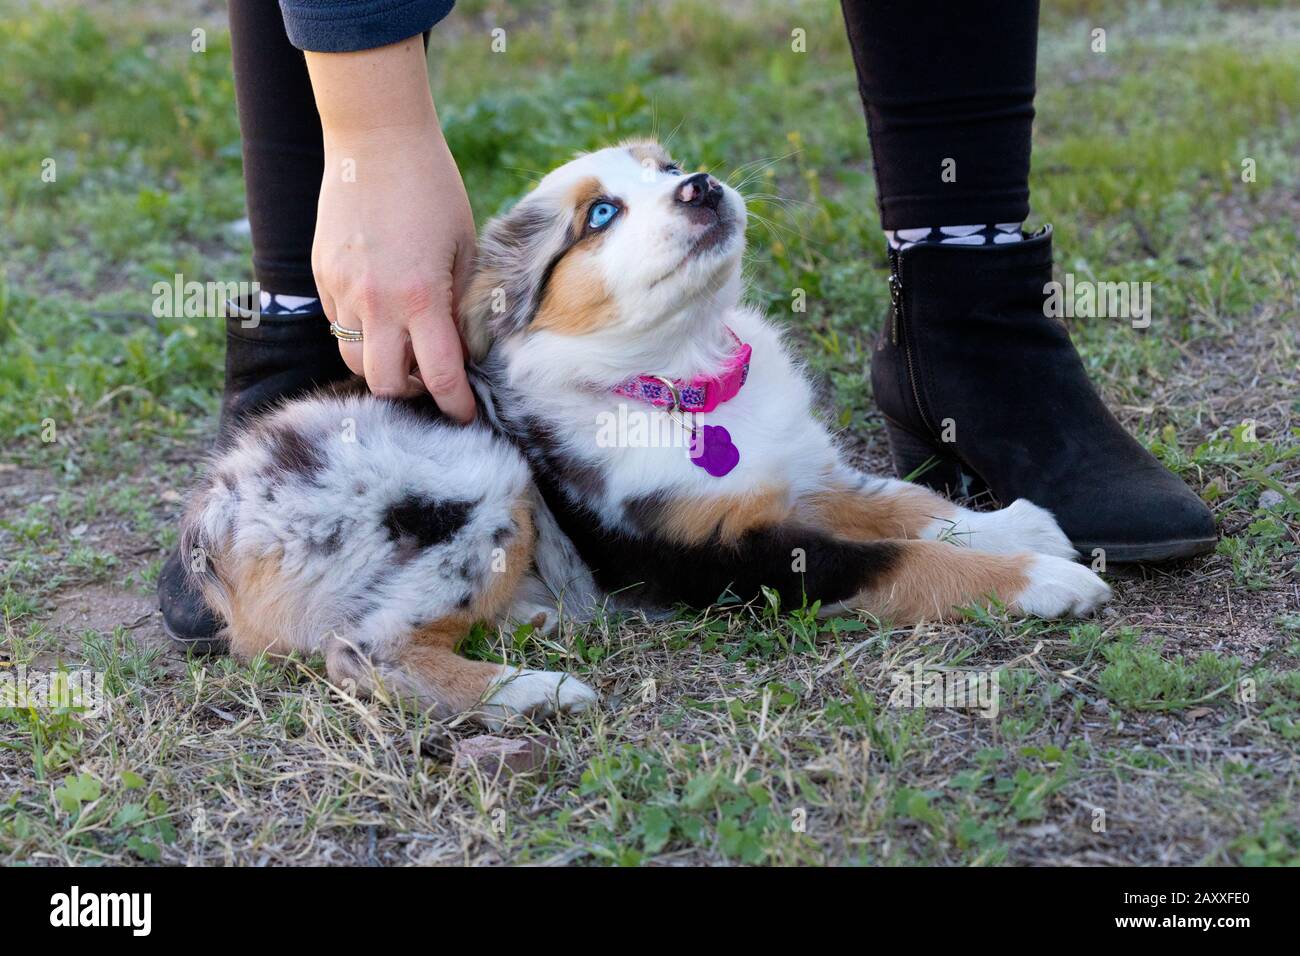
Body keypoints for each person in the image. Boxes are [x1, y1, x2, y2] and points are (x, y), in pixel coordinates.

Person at [158, 0, 1215, 651]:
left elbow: (818, 494)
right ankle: (398, 616)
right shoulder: (582, 434)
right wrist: (372, 133)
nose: (682, 188)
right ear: (506, 314)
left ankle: (971, 313)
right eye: (605, 216)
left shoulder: (739, 372)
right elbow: (774, 560)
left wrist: (959, 524)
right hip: (372, 519)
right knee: (483, 500)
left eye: (666, 171)